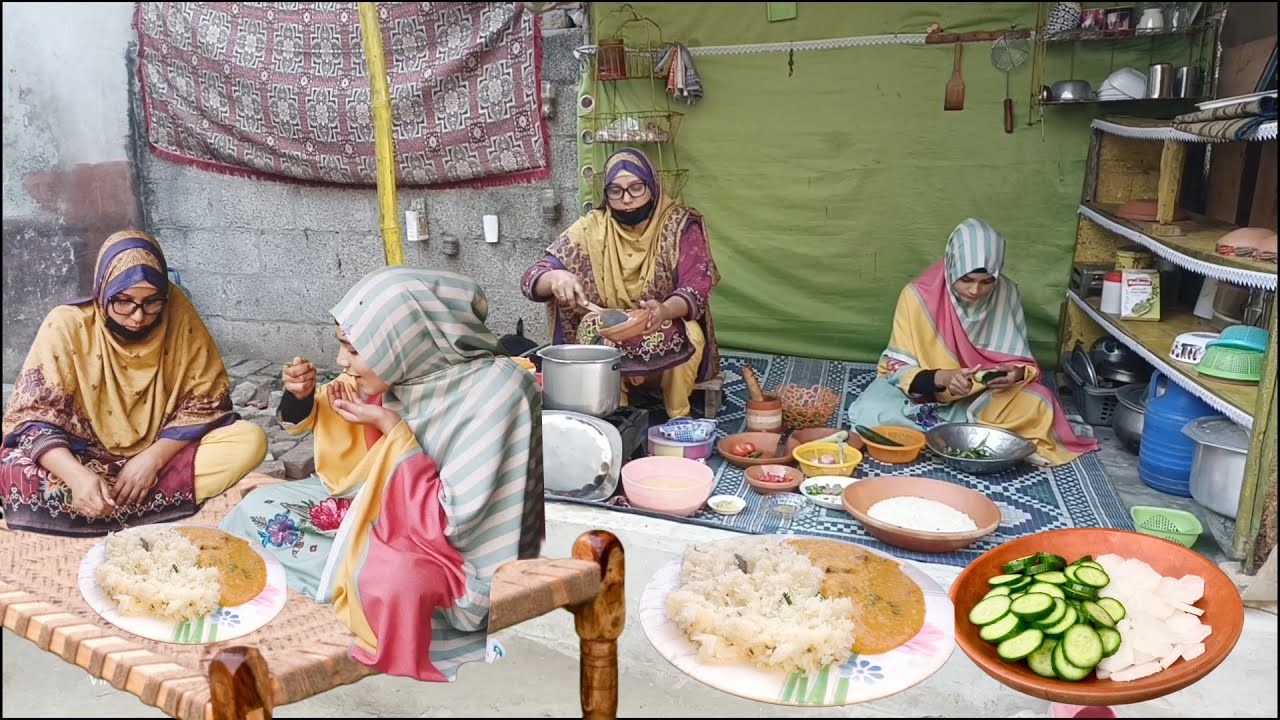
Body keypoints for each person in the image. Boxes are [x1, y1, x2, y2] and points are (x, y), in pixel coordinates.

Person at [220, 268, 544, 682]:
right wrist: (299, 396)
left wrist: (392, 429)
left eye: (354, 350)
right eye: (343, 346)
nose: (342, 362)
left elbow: (458, 523)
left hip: (448, 551)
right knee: (258, 508)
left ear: (402, 341)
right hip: (383, 510)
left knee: (393, 584)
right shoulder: (403, 369)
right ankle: (348, 568)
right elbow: (327, 426)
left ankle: (356, 577)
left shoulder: (498, 394)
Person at [0, 230, 267, 536]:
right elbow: (31, 418)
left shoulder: (177, 313)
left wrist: (151, 460)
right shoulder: (67, 324)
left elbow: (207, 402)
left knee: (249, 440)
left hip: (159, 455)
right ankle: (128, 502)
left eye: (152, 302)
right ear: (103, 290)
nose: (138, 317)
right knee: (13, 466)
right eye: (124, 302)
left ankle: (107, 506)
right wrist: (75, 476)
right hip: (81, 457)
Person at [847, 218, 1098, 467]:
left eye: (987, 281)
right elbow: (896, 367)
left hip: (981, 397)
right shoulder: (916, 296)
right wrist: (944, 378)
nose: (975, 290)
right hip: (920, 397)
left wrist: (1015, 374)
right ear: (951, 266)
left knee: (1040, 403)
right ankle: (981, 434)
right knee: (872, 412)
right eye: (966, 280)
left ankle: (944, 434)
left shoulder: (1006, 293)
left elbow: (1021, 361)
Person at [520, 147, 721, 419]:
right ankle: (613, 415)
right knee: (590, 327)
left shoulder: (679, 225)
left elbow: (696, 287)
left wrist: (663, 310)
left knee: (692, 333)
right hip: (611, 331)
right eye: (616, 191)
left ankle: (678, 418)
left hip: (662, 324)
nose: (627, 199)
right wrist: (555, 277)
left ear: (652, 186)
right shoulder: (592, 228)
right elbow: (532, 279)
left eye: (636, 188)